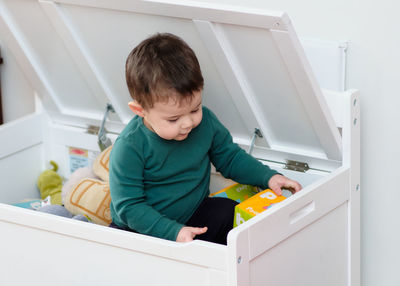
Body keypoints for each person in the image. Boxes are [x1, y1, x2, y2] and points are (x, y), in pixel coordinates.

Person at [109, 33, 302, 245]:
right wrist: (173, 232)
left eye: (195, 109)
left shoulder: (206, 123)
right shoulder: (130, 146)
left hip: (191, 215)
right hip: (140, 229)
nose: (188, 123)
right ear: (140, 110)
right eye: (173, 119)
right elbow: (129, 207)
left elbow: (230, 158)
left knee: (227, 212)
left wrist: (268, 177)